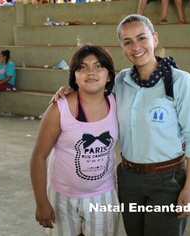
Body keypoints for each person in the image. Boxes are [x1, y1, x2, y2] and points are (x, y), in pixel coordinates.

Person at [53, 14, 190, 236]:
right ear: (122, 47)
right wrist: (68, 91)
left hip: (168, 180)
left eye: (141, 38)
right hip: (129, 179)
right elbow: (94, 94)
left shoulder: (181, 81)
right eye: (127, 42)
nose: (136, 47)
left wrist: (189, 188)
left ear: (154, 39)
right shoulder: (121, 81)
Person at [30, 44, 120, 236]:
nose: (91, 72)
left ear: (109, 75)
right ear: (74, 77)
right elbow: (38, 157)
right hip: (62, 197)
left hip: (103, 196)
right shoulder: (59, 109)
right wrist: (41, 202)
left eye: (98, 66)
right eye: (82, 67)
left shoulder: (118, 104)